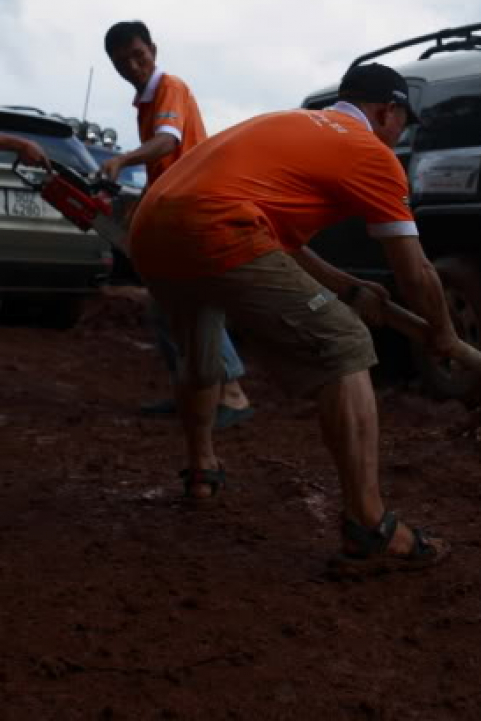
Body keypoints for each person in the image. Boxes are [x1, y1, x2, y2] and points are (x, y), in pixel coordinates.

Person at [130, 62, 459, 573]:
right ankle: (369, 527)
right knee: (345, 344)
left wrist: (347, 286)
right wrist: (443, 333)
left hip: (152, 225)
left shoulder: (289, 124)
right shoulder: (369, 150)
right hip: (217, 225)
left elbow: (281, 242)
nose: (400, 135)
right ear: (386, 111)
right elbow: (416, 272)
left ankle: (201, 469)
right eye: (403, 123)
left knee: (201, 346)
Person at [101, 20, 253, 429]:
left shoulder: (170, 87)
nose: (133, 65)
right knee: (165, 307)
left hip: (194, 210)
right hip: (172, 209)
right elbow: (166, 164)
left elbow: (168, 143)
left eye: (139, 55)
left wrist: (120, 160)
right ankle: (190, 389)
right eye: (122, 62)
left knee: (191, 302)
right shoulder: (145, 101)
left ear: (153, 48)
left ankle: (232, 394)